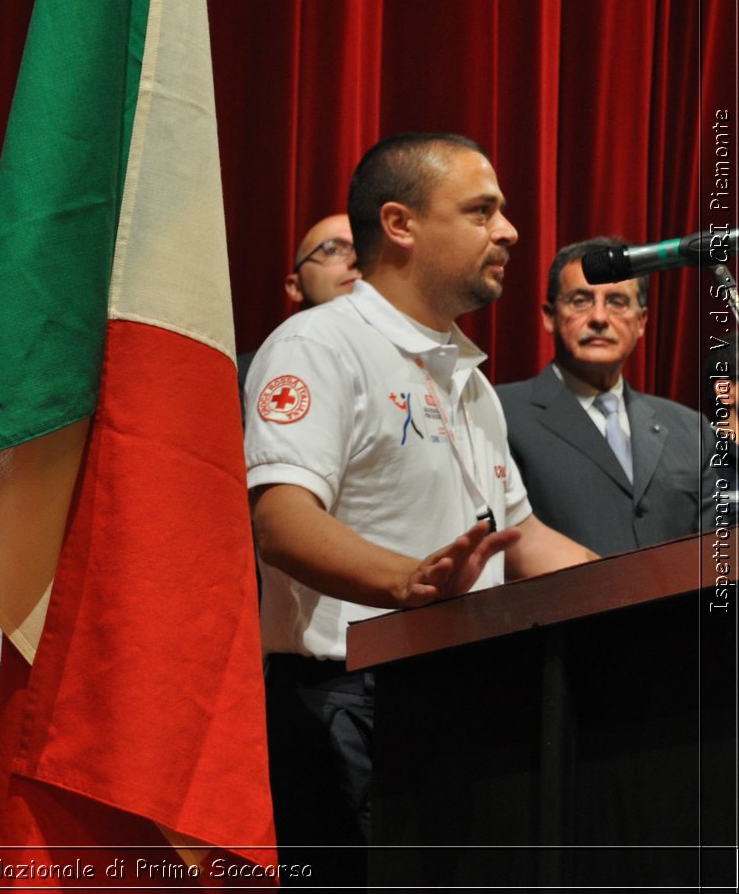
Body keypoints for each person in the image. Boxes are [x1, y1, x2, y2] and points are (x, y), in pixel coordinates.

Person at [242, 133, 594, 884]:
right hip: (349, 700)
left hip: (461, 689)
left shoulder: (463, 372)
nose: (509, 230)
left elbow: (520, 536)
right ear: (400, 224)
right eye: (482, 210)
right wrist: (409, 583)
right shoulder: (317, 346)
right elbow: (282, 521)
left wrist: (643, 588)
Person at [497, 238, 716, 554]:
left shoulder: (691, 430)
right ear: (549, 316)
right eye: (581, 300)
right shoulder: (502, 413)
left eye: (616, 301)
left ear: (641, 322)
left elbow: (710, 560)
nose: (599, 317)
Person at [239, 213, 360, 395]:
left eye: (365, 249)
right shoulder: (245, 376)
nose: (356, 259)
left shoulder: (408, 362)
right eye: (332, 250)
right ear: (295, 287)